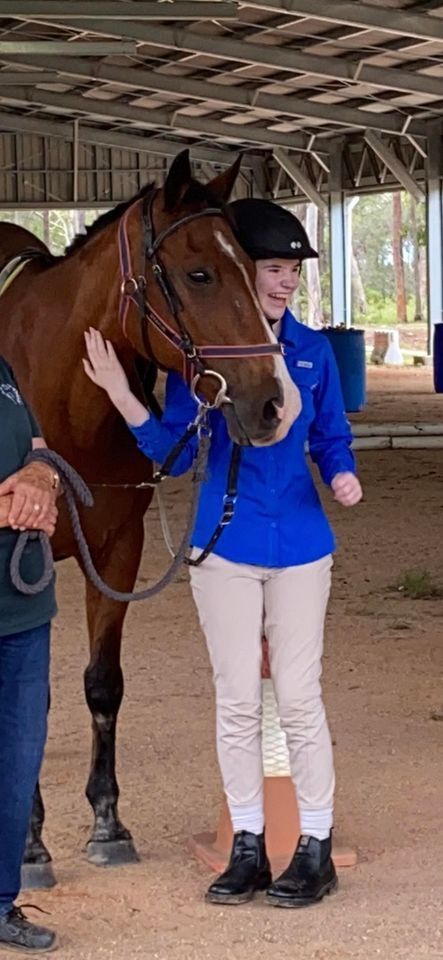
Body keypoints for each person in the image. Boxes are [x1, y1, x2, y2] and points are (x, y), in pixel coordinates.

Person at [83, 198, 363, 909]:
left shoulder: (313, 352)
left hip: (299, 544)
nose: (284, 283)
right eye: (273, 270)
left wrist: (340, 471)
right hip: (224, 546)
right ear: (245, 275)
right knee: (236, 698)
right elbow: (174, 455)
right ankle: (246, 844)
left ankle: (315, 845)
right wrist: (120, 392)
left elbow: (329, 432)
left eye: (290, 273)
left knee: (298, 698)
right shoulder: (201, 363)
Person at [0, 356, 60, 953]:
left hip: (23, 608)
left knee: (17, 763)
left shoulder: (5, 372)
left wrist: (42, 481)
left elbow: (40, 450)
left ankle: (0, 900)